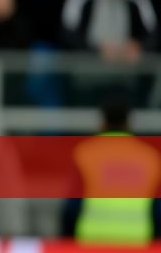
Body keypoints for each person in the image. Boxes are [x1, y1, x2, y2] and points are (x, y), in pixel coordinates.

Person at [62, 95, 161, 245]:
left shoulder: (85, 153)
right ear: (128, 122)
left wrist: (66, 242)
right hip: (137, 242)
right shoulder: (151, 157)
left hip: (93, 241)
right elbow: (158, 209)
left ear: (102, 120)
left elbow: (72, 207)